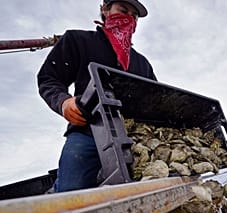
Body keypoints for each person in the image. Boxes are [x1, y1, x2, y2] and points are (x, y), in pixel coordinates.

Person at [38, 0, 156, 192]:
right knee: (70, 192)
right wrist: (64, 102)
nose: (128, 18)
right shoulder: (79, 40)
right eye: (122, 10)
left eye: (133, 16)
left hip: (135, 140)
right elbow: (48, 78)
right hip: (88, 133)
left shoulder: (142, 64)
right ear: (105, 10)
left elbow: (156, 100)